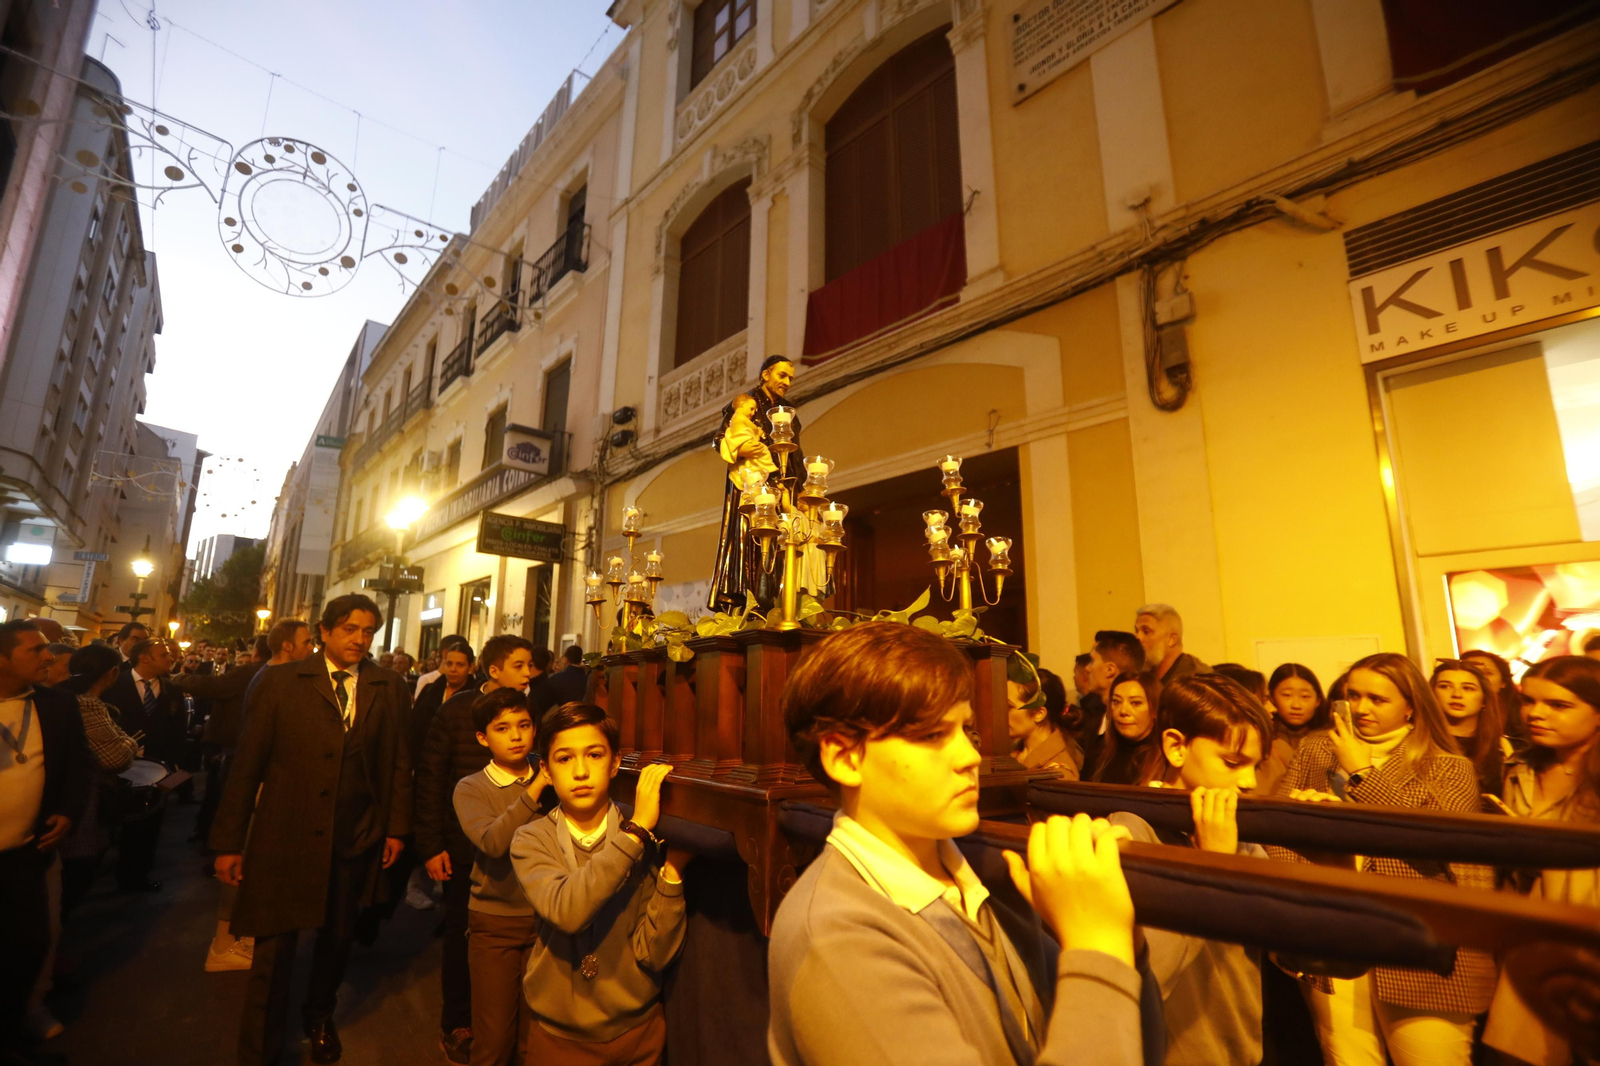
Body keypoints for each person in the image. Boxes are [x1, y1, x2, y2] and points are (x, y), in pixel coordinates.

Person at [769, 621, 1143, 1066]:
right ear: (846, 757)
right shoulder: (837, 938)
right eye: (932, 735)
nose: (969, 757)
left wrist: (1113, 925)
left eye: (966, 730)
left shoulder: (968, 875)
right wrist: (1097, 942)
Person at [210, 594, 414, 1066]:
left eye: (368, 632)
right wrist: (228, 842)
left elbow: (400, 760)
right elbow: (248, 763)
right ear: (324, 632)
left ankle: (319, 1013)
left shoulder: (389, 685)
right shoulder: (282, 682)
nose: (360, 640)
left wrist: (397, 829)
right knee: (273, 944)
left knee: (338, 936)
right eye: (349, 630)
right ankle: (259, 1045)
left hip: (354, 834)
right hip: (285, 833)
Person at [1272, 652, 1494, 1066]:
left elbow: (1437, 840)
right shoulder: (1317, 749)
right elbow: (1274, 833)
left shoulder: (1447, 765)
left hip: (1420, 948)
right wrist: (1312, 844)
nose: (1360, 708)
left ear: (1411, 705)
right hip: (1334, 933)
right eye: (1353, 695)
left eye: (1377, 699)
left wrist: (1361, 775)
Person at [509, 702, 689, 1064]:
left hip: (638, 1030)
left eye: (594, 755)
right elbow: (569, 911)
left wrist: (672, 874)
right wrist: (635, 831)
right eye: (563, 759)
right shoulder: (531, 839)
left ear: (615, 763)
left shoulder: (644, 840)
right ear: (545, 769)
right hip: (560, 1036)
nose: (580, 772)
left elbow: (654, 953)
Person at [1111, 673, 1273, 1065]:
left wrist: (1327, 859)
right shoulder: (1131, 832)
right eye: (1233, 763)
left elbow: (1306, 955)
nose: (1249, 781)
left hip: (1241, 1050)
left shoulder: (1236, 830)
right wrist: (1211, 866)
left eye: (1255, 765)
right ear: (1176, 746)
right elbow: (1146, 977)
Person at [417, 634, 535, 1065]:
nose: (529, 673)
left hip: (523, 851)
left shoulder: (528, 713)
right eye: (520, 665)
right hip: (463, 844)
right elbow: (431, 779)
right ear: (495, 669)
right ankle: (458, 1023)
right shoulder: (455, 712)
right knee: (460, 938)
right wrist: (430, 844)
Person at [1483, 655, 1600, 1065]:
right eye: (1529, 702)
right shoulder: (1520, 767)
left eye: (1559, 705)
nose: (1537, 714)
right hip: (1529, 937)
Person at [203, 619, 316, 975]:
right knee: (244, 866)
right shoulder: (271, 680)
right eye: (307, 642)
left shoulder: (271, 677)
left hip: (265, 785)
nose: (312, 648)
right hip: (262, 788)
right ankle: (226, 943)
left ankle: (238, 938)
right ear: (287, 646)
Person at [0, 620, 89, 1065]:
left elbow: (77, 766)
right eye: (35, 651)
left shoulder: (57, 705)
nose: (49, 657)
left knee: (28, 943)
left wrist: (68, 811)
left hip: (25, 852)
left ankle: (16, 1020)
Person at [450, 688, 549, 1066]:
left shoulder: (551, 774)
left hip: (547, 918)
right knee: (494, 1039)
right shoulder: (471, 787)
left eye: (524, 725)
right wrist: (536, 789)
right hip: (496, 921)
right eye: (503, 728)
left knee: (534, 1037)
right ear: (482, 737)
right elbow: (492, 842)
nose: (516, 735)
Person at [710, 356, 803, 612]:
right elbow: (719, 439)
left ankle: (768, 602)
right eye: (782, 376)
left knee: (778, 545)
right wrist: (745, 450)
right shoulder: (746, 403)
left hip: (779, 486)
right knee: (746, 540)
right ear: (765, 374)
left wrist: (801, 490)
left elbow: (796, 454)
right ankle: (742, 600)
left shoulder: (788, 412)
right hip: (748, 484)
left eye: (790, 379)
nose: (786, 382)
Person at [53, 644, 138, 915]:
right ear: (112, 673)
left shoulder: (64, 698)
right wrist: (131, 743)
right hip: (82, 804)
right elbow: (114, 756)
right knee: (76, 872)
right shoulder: (87, 704)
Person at [101, 638, 182, 892]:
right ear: (145, 658)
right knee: (112, 821)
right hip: (119, 766)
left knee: (150, 824)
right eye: (164, 655)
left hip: (157, 770)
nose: (171, 659)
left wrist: (174, 774)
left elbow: (179, 733)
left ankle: (136, 875)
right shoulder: (115, 685)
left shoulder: (172, 691)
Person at [1430, 658, 1509, 797]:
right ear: (1431, 693)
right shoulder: (1415, 741)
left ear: (1484, 699)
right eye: (1445, 686)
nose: (1457, 695)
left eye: (1468, 688)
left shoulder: (1502, 747)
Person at [1073, 630, 1145, 774]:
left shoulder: (1134, 730)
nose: (1087, 668)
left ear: (1110, 670)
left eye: (1092, 661)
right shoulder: (1095, 718)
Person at [1257, 663, 1327, 796]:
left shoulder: (1327, 742)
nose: (1296, 705)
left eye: (1305, 696)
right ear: (1271, 697)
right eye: (1287, 695)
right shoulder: (1261, 740)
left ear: (1318, 700)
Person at [1004, 656, 1082, 777]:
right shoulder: (1011, 753)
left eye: (1009, 707)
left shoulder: (1059, 773)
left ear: (1039, 713)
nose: (1002, 713)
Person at [1093, 671, 1163, 786]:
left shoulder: (1166, 760)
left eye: (1135, 703)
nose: (1123, 711)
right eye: (1116, 702)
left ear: (1155, 709)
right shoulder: (1100, 752)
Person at [1134, 604, 1209, 686]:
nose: (1138, 637)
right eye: (1137, 631)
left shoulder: (1195, 679)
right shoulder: (1144, 675)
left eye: (1146, 631)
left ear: (1171, 639)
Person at [1460, 649, 1525, 741]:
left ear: (1503, 682)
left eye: (1487, 673)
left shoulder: (1520, 716)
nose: (1478, 677)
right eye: (1471, 672)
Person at [723, 393, 778, 490]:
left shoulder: (736, 418)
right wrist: (739, 452)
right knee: (763, 450)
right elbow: (719, 437)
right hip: (744, 441)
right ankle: (769, 467)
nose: (753, 413)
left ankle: (756, 468)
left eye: (755, 410)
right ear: (743, 405)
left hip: (744, 443)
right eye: (751, 409)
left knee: (754, 458)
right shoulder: (739, 416)